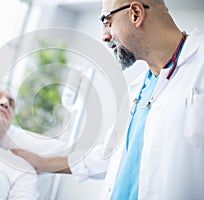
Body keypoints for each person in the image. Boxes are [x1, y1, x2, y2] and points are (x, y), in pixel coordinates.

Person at [13, 0, 204, 199]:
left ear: (136, 14)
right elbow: (108, 155)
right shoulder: (139, 89)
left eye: (107, 21)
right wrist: (40, 163)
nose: (104, 36)